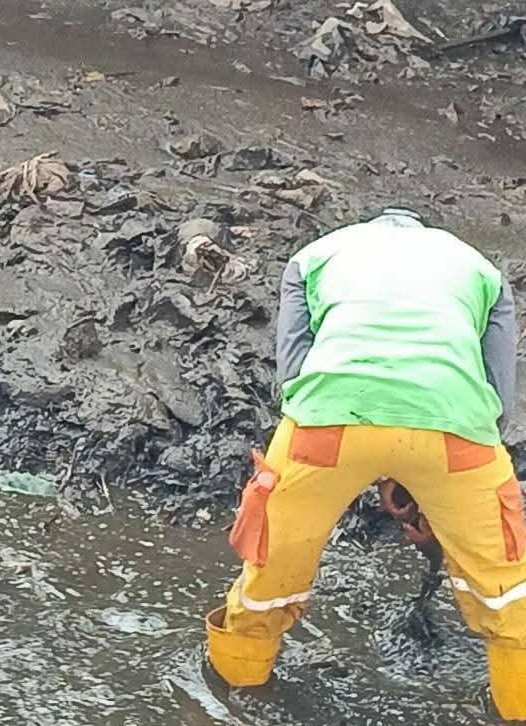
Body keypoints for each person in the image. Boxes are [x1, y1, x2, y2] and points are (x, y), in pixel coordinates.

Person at [205, 207, 525, 720]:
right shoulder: (479, 267)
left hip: (326, 426)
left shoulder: (314, 256)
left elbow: (292, 373)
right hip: (455, 432)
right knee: (510, 594)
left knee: (270, 572)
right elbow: (500, 393)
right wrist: (428, 476)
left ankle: (235, 695)